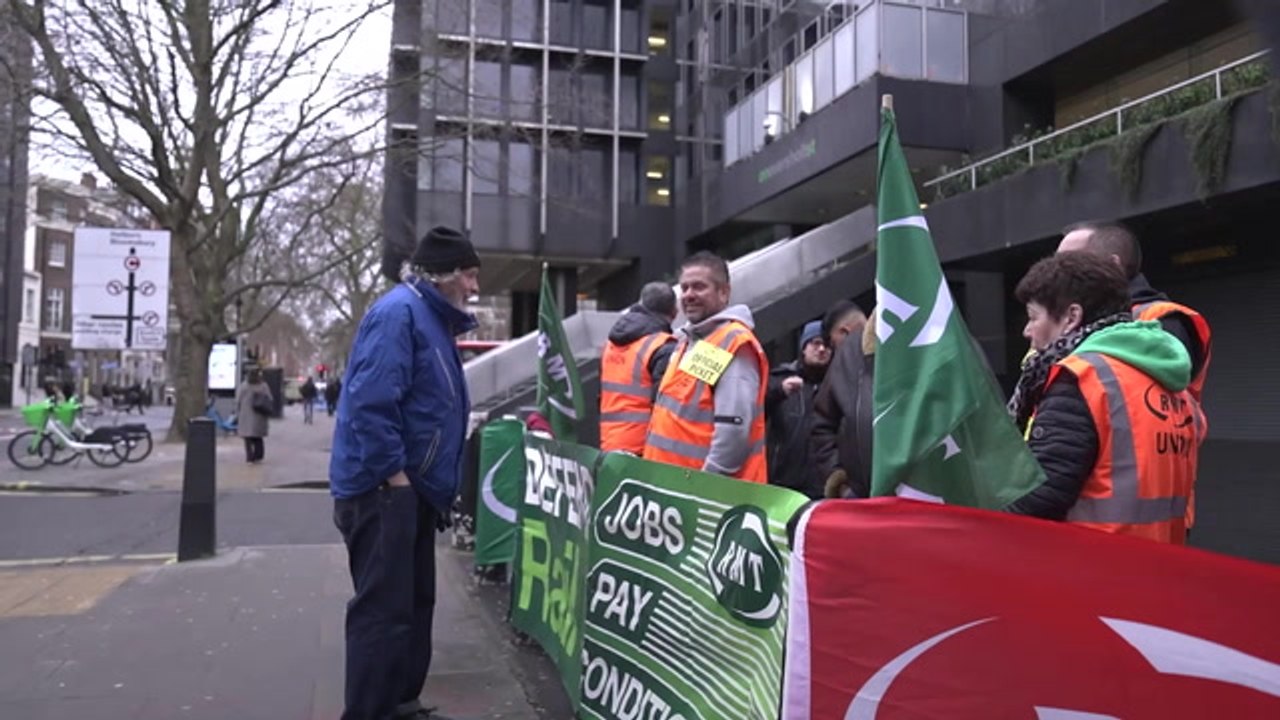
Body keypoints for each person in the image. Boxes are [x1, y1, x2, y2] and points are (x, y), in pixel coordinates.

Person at [329, 225, 481, 720]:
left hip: (408, 491)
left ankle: (400, 704)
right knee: (383, 613)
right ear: (446, 275)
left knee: (413, 606)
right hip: (384, 492)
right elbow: (370, 404)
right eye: (470, 275)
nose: (475, 287)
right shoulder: (399, 314)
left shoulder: (426, 317)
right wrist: (395, 478)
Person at [1005, 252, 1204, 544]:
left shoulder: (1083, 379)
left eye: (1033, 317)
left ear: (1071, 317)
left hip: (1089, 560)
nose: (1027, 331)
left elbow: (1040, 496)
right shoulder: (1172, 384)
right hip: (1159, 559)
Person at [644, 251, 770, 482]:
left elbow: (733, 433)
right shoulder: (691, 341)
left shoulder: (732, 342)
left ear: (724, 293)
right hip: (673, 488)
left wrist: (704, 486)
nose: (689, 295)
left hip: (701, 494)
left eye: (699, 287)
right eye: (684, 288)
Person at [1058, 221, 1211, 400]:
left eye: (1070, 262)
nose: (1057, 273)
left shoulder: (1161, 319)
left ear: (1113, 264)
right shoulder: (1066, 322)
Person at [599, 281, 678, 454]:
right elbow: (665, 407)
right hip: (643, 449)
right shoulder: (663, 347)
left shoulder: (610, 344)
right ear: (675, 312)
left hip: (609, 444)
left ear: (640, 303)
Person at [808, 301, 875, 499]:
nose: (830, 352)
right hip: (861, 496)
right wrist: (840, 483)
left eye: (831, 343)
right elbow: (821, 425)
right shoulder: (841, 369)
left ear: (843, 332)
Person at [764, 320, 830, 497]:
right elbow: (754, 413)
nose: (822, 349)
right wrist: (779, 392)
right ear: (803, 348)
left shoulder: (837, 385)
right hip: (784, 483)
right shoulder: (780, 378)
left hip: (822, 486)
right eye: (816, 343)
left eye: (827, 345)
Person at [236, 369, 273, 463]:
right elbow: (269, 398)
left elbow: (238, 399)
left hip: (246, 415)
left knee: (247, 438)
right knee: (258, 437)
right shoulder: (263, 386)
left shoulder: (244, 385)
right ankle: (258, 455)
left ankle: (250, 457)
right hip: (259, 415)